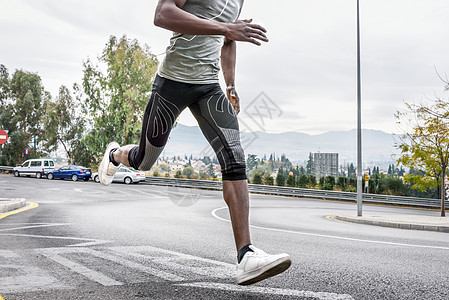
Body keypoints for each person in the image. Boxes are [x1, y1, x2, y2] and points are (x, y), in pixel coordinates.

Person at [98, 0, 291, 285]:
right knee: (144, 160)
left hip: (208, 87)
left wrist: (231, 85)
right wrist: (227, 27)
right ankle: (115, 155)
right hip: (171, 82)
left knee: (235, 159)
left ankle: (246, 256)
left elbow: (227, 39)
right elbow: (162, 14)